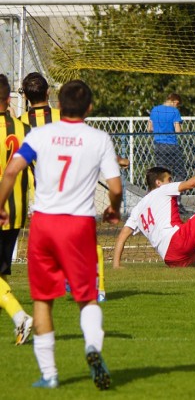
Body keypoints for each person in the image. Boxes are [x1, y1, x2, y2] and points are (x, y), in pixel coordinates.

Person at [0, 80, 123, 390]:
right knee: (86, 297)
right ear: (90, 107)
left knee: (43, 299)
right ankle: (93, 348)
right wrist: (113, 209)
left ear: (60, 104)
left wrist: (0, 205)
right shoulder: (98, 138)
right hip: (79, 225)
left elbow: (12, 170)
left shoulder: (39, 134)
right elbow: (117, 187)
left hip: (44, 224)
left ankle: (50, 374)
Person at [112, 163, 195, 269]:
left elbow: (121, 238)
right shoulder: (163, 189)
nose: (171, 182)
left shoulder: (137, 210)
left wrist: (116, 265)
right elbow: (191, 184)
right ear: (158, 183)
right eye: (169, 179)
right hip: (177, 240)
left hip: (170, 258)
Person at [0, 74, 33, 345]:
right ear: (8, 99)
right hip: (17, 211)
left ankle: (20, 316)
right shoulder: (25, 129)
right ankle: (18, 320)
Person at [148, 93, 188, 213]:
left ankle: (161, 202)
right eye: (177, 104)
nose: (177, 107)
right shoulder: (174, 112)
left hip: (158, 146)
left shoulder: (155, 110)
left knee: (161, 174)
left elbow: (149, 128)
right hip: (172, 146)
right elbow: (178, 131)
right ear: (174, 101)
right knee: (180, 173)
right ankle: (177, 201)